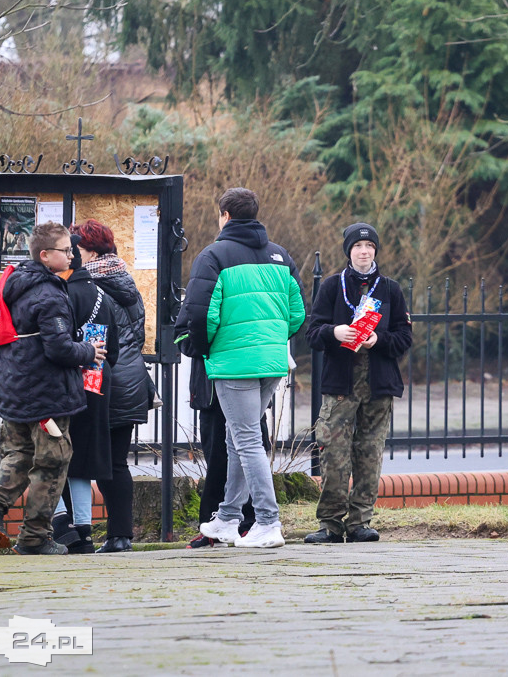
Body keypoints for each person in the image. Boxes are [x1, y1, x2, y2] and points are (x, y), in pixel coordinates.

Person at [175, 187, 305, 548]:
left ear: (225, 216)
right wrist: (272, 341)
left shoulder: (213, 255)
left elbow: (200, 314)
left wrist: (205, 349)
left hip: (233, 363)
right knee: (237, 438)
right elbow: (297, 314)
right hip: (272, 362)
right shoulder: (281, 256)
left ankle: (268, 521)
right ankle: (228, 519)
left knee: (246, 441)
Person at [0, 222, 107, 555]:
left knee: (18, 454)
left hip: (12, 390)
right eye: (65, 250)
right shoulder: (49, 293)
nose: (72, 253)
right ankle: (35, 537)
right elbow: (59, 349)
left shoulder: (12, 284)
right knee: (52, 461)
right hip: (47, 395)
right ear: (46, 255)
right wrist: (89, 351)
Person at [304, 223, 413, 544]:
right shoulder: (330, 287)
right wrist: (335, 332)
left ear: (375, 251)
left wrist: (378, 339)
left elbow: (404, 338)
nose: (364, 252)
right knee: (334, 453)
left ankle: (360, 522)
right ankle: (330, 524)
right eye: (358, 247)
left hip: (378, 387)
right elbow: (312, 333)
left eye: (369, 246)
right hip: (340, 386)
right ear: (348, 251)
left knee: (370, 453)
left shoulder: (390, 289)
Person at [73, 219, 155, 554]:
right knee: (117, 462)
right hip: (132, 380)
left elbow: (98, 341)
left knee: (84, 460)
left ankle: (82, 534)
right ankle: (120, 535)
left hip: (105, 380)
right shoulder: (125, 280)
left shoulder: (89, 285)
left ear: (89, 249)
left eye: (75, 248)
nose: (72, 254)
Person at [52, 235, 120, 554]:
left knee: (53, 453)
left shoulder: (60, 294)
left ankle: (61, 523)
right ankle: (84, 530)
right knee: (80, 460)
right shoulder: (99, 294)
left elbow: (55, 345)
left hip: (64, 383)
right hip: (93, 383)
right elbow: (111, 350)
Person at [181, 351, 265, 548]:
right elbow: (186, 337)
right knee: (220, 460)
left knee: (247, 455)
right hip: (214, 387)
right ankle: (218, 526)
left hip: (247, 376)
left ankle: (252, 523)